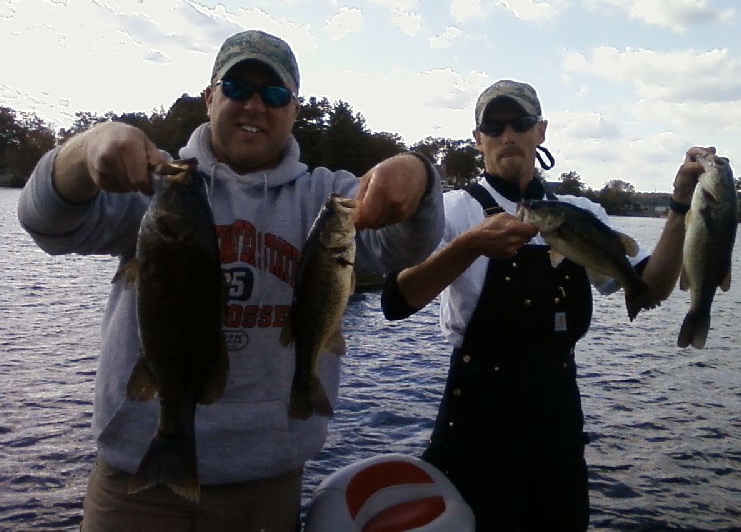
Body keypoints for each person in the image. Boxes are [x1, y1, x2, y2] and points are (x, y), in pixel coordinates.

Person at [17, 29, 444, 532]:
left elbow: (406, 246)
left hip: (264, 483)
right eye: (238, 87)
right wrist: (85, 149)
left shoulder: (327, 198)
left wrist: (418, 172)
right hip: (136, 478)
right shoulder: (155, 184)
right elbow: (45, 221)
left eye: (276, 93)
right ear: (210, 97)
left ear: (294, 109)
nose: (256, 105)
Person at [381, 79, 711, 531]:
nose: (507, 135)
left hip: (557, 422)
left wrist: (679, 206)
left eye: (520, 122)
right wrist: (471, 245)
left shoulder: (579, 212)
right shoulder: (453, 210)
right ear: (478, 139)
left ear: (541, 131)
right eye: (493, 126)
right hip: (476, 422)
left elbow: (649, 289)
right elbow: (396, 301)